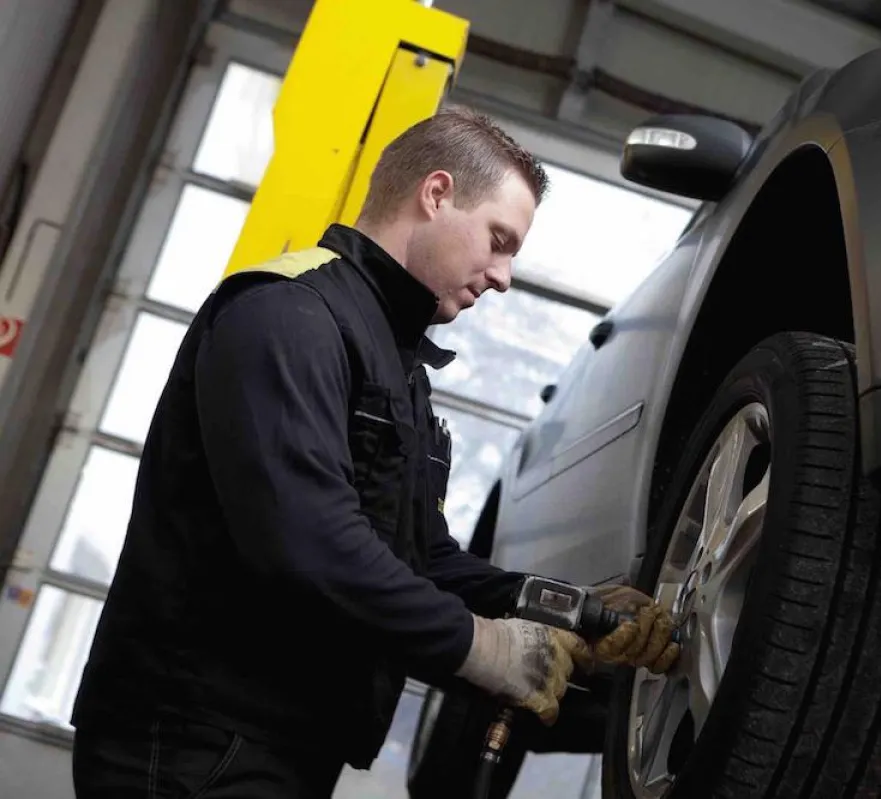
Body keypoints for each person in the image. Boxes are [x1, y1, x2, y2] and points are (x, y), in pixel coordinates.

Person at [70, 105, 680, 797]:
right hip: (193, 736)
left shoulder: (393, 361)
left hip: (279, 741)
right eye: (499, 240)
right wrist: (483, 646)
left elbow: (420, 557)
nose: (505, 276)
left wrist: (568, 610)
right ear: (437, 193)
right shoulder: (287, 314)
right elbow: (311, 544)